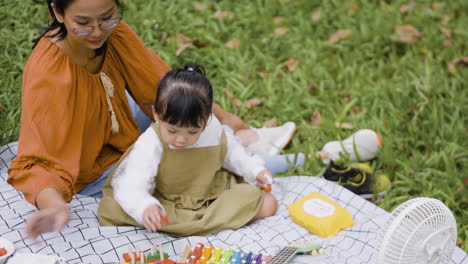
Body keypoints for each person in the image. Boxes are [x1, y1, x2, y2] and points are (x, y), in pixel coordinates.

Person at [6, 0, 300, 238]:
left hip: (119, 125)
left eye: (107, 17)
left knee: (179, 102)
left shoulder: (115, 34)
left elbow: (157, 85)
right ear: (57, 12)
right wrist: (54, 205)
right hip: (94, 166)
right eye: (82, 23)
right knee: (200, 169)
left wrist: (226, 123)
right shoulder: (51, 76)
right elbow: (37, 161)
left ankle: (243, 137)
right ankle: (300, 160)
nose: (97, 31)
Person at [98, 63, 278, 236]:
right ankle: (200, 225)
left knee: (268, 204)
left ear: (207, 119)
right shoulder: (152, 141)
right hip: (168, 202)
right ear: (157, 115)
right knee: (115, 208)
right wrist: (145, 206)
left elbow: (232, 153)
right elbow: (134, 180)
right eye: (172, 130)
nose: (181, 139)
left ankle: (198, 224)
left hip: (210, 195)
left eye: (192, 132)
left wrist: (255, 170)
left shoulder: (212, 128)